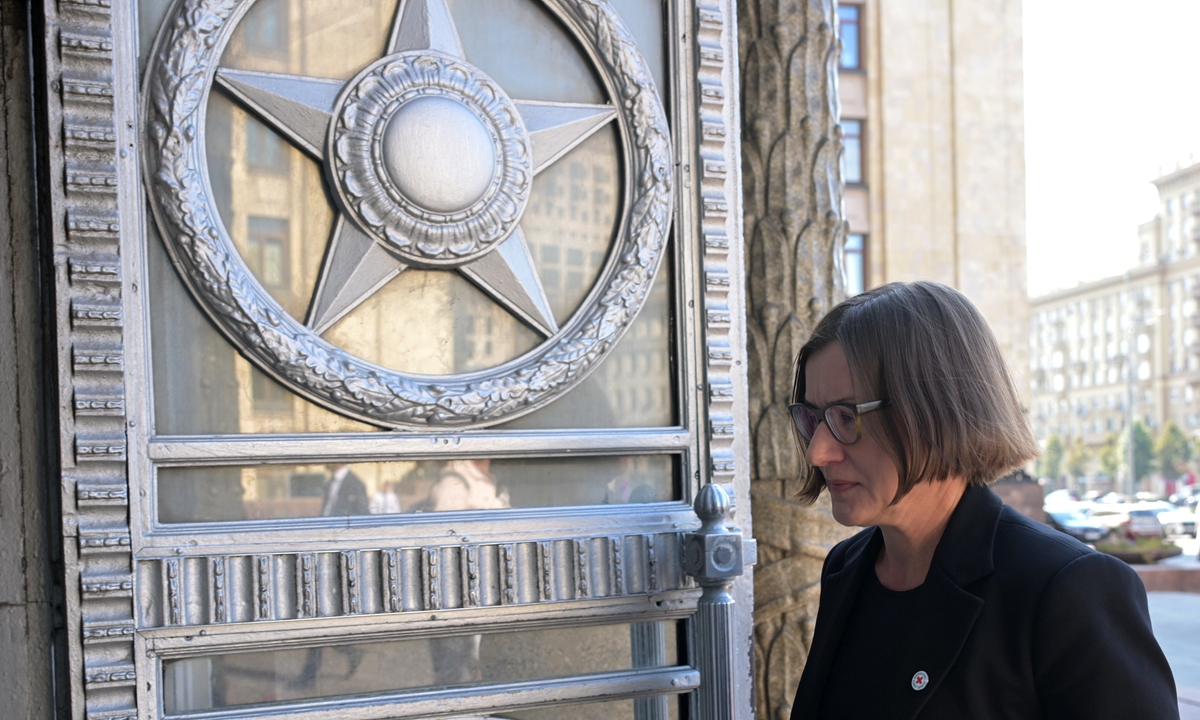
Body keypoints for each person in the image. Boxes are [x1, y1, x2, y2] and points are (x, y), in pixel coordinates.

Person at [788, 281, 1177, 719]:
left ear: (936, 411)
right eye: (813, 418)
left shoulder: (1065, 589)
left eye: (846, 417)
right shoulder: (847, 568)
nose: (818, 451)